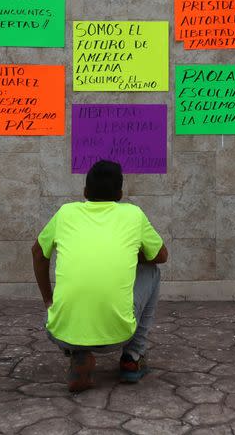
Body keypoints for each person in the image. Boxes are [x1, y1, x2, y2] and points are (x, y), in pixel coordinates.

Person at [32, 160, 168, 392]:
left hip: (60, 332)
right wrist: (130, 254)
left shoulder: (66, 213)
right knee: (151, 271)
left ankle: (78, 351)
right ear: (120, 194)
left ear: (84, 192)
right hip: (118, 335)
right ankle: (132, 358)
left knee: (80, 295)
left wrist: (48, 301)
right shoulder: (133, 215)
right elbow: (161, 256)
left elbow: (37, 252)